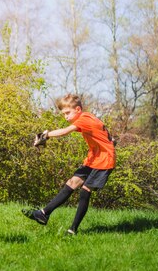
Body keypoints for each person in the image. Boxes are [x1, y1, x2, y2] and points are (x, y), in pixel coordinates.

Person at [22, 94, 116, 235]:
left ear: (77, 109)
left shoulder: (84, 119)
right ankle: (43, 214)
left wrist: (46, 135)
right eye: (63, 114)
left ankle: (73, 230)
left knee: (85, 190)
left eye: (67, 113)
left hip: (104, 160)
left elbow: (65, 131)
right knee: (72, 182)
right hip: (94, 158)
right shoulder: (86, 118)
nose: (65, 117)